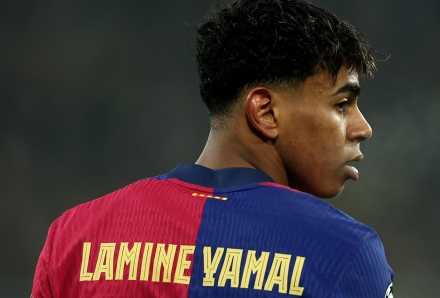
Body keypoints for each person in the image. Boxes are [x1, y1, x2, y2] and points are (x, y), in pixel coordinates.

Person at [32, 0, 394, 297]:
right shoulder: (344, 253)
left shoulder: (74, 238)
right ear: (265, 112)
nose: (363, 128)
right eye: (342, 105)